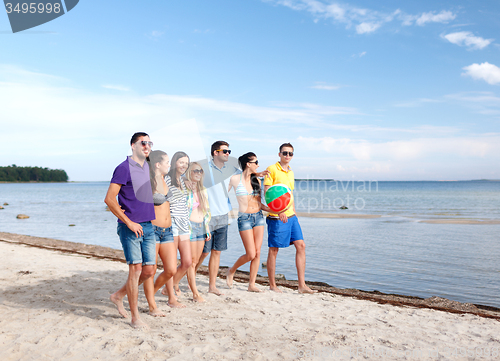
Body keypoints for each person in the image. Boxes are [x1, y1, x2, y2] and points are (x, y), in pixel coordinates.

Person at [105, 132, 157, 329]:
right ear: (133, 146)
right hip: (130, 227)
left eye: (149, 143)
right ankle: (135, 318)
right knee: (135, 270)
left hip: (148, 226)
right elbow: (110, 199)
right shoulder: (123, 168)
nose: (147, 146)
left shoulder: (147, 167)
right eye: (143, 143)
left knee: (149, 270)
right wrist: (128, 222)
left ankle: (118, 295)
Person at [264, 143, 316, 294]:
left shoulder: (291, 171)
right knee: (274, 250)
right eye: (285, 153)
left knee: (301, 246)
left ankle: (301, 286)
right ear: (279, 154)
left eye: (290, 154)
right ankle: (272, 285)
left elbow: (290, 194)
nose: (287, 156)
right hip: (276, 217)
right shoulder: (272, 169)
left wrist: (294, 212)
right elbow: (268, 194)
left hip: (292, 216)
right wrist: (279, 210)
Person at [142, 150, 184, 311]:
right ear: (158, 164)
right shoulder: (148, 181)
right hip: (152, 229)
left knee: (171, 269)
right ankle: (152, 306)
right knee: (150, 270)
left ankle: (151, 293)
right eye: (167, 162)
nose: (169, 165)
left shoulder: (166, 180)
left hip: (167, 230)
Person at [195, 141, 239, 295]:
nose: (228, 154)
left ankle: (212, 286)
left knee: (216, 252)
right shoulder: (204, 169)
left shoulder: (230, 170)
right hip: (207, 217)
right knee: (203, 253)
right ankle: (189, 276)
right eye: (225, 151)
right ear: (215, 153)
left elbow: (246, 175)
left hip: (223, 215)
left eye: (229, 151)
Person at [226, 152, 272, 292]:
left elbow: (259, 203)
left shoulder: (256, 180)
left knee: (257, 253)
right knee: (250, 254)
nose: (258, 165)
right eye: (256, 162)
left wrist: (273, 210)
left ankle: (251, 284)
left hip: (258, 217)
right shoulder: (234, 179)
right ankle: (231, 270)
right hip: (244, 218)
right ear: (248, 163)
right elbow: (221, 196)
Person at [172, 162, 211, 302]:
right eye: (196, 170)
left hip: (201, 226)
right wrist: (184, 180)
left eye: (201, 171)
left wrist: (207, 228)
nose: (199, 173)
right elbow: (172, 181)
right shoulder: (184, 188)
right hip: (188, 228)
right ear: (189, 172)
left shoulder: (203, 189)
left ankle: (172, 284)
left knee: (194, 261)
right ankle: (195, 293)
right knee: (189, 262)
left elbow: (206, 211)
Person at [162, 151, 192, 303]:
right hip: (172, 223)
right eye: (181, 162)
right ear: (174, 163)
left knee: (187, 262)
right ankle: (171, 297)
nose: (184, 166)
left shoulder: (184, 181)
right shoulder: (167, 179)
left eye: (186, 163)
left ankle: (169, 286)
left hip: (184, 224)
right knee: (171, 263)